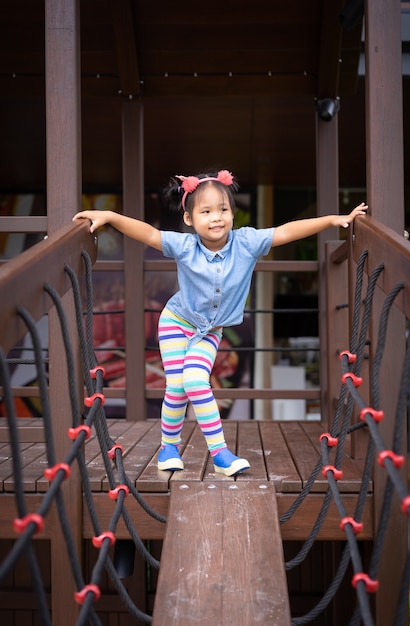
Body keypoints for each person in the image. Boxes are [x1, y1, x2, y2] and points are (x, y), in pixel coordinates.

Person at [73, 169, 367, 476]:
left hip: (209, 332)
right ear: (189, 219)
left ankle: (221, 454)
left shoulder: (247, 242)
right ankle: (168, 448)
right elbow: (147, 233)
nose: (217, 217)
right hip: (175, 322)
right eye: (206, 211)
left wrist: (332, 220)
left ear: (232, 213)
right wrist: (109, 215)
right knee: (176, 387)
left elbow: (285, 232)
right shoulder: (185, 246)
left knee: (197, 383)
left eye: (223, 210)